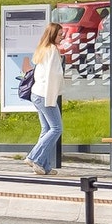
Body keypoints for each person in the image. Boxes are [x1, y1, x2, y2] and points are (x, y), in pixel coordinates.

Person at [24, 21, 66, 175]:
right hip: (45, 94)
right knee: (56, 128)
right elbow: (52, 76)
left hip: (37, 93)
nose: (63, 37)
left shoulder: (43, 49)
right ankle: (34, 156)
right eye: (60, 34)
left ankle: (44, 166)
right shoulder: (53, 50)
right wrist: (51, 98)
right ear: (53, 35)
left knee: (46, 129)